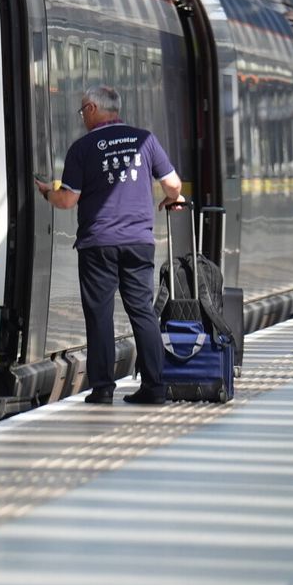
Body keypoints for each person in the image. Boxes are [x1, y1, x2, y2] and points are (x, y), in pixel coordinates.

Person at [37, 86, 183, 405]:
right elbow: (173, 185)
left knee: (99, 314)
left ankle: (103, 388)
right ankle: (155, 387)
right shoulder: (145, 140)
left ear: (92, 109)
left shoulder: (83, 147)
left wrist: (47, 192)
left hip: (98, 243)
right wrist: (173, 200)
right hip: (138, 241)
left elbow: (68, 199)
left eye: (81, 111)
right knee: (142, 311)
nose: (81, 117)